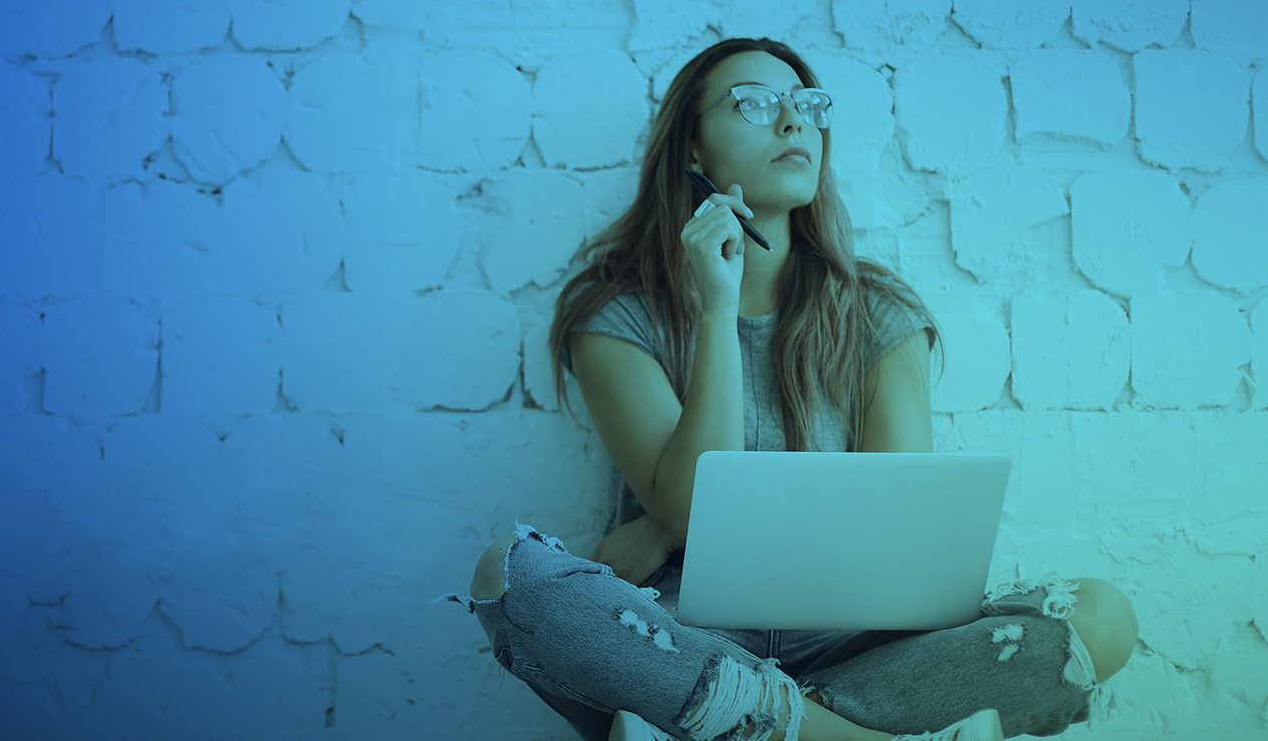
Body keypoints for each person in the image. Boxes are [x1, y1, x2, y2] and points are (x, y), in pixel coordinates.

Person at [437, 38, 1138, 741]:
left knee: (1102, 618)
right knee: (507, 573)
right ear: (692, 150)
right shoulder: (617, 316)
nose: (794, 122)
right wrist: (717, 304)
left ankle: (728, 723)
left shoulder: (880, 313)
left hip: (858, 647)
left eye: (807, 106)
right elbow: (687, 506)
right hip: (686, 638)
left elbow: (900, 538)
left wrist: (663, 529)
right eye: (755, 103)